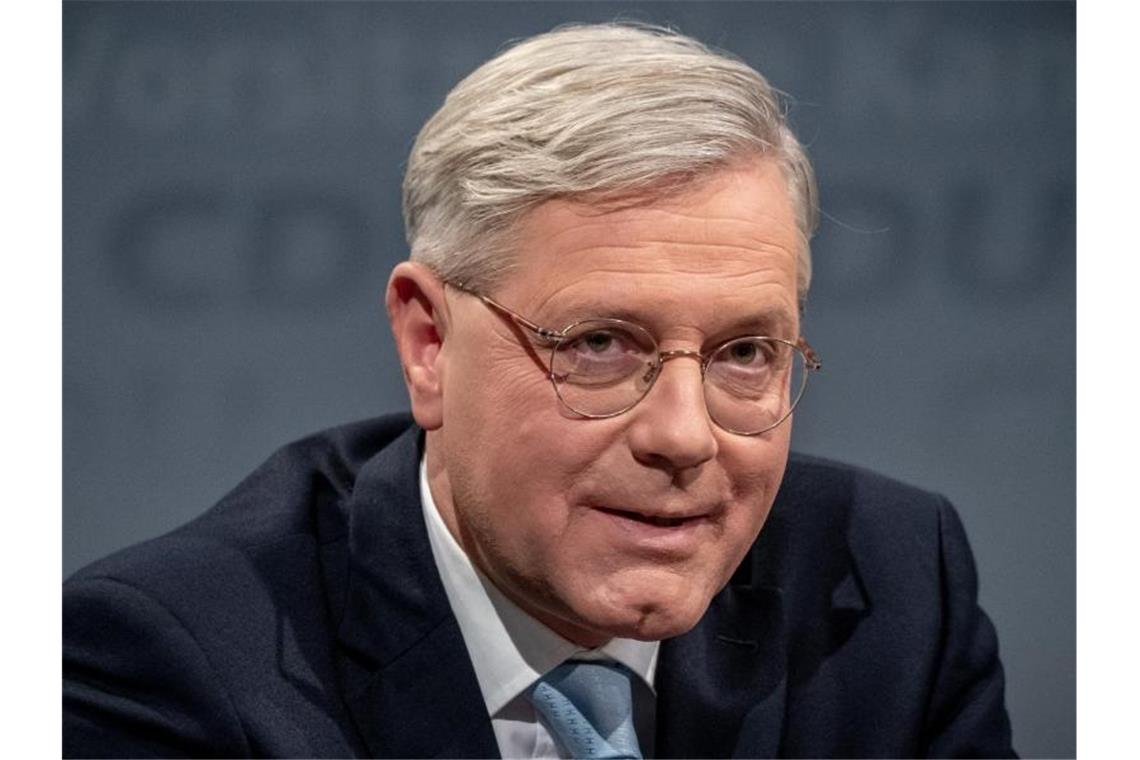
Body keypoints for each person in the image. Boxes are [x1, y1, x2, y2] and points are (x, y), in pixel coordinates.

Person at [63, 23, 1014, 758]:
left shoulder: (895, 586)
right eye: (601, 343)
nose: (684, 437)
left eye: (745, 353)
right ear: (429, 343)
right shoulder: (166, 661)